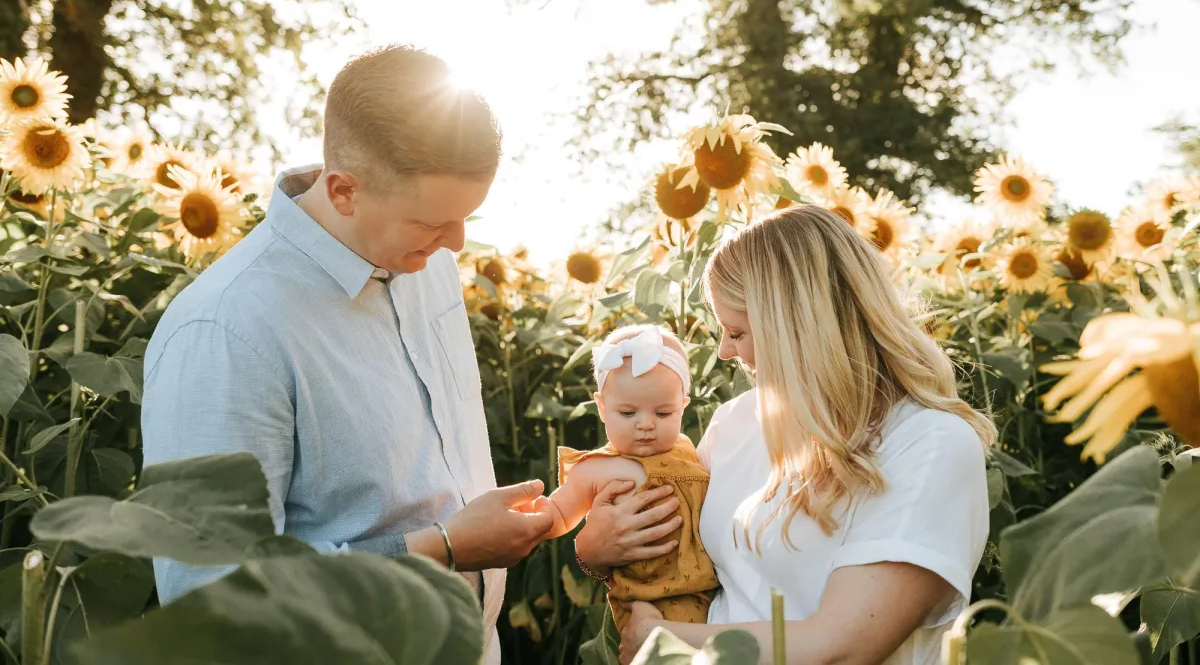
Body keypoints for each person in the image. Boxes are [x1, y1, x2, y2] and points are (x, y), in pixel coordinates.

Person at [141, 44, 553, 665]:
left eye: (466, 218)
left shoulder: (426, 263)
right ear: (342, 191)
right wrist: (443, 546)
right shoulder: (225, 331)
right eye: (432, 222)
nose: (457, 244)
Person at [575, 205, 996, 665]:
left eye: (736, 331)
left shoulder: (929, 444)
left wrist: (664, 638)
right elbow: (684, 563)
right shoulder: (737, 421)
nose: (723, 351)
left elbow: (842, 647)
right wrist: (595, 552)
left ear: (796, 326)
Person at [543, 324, 719, 632]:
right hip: (645, 603)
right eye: (628, 414)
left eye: (663, 414)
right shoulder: (597, 468)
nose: (646, 425)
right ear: (601, 407)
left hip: (711, 596)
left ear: (683, 407)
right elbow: (556, 514)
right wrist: (527, 516)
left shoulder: (689, 452)